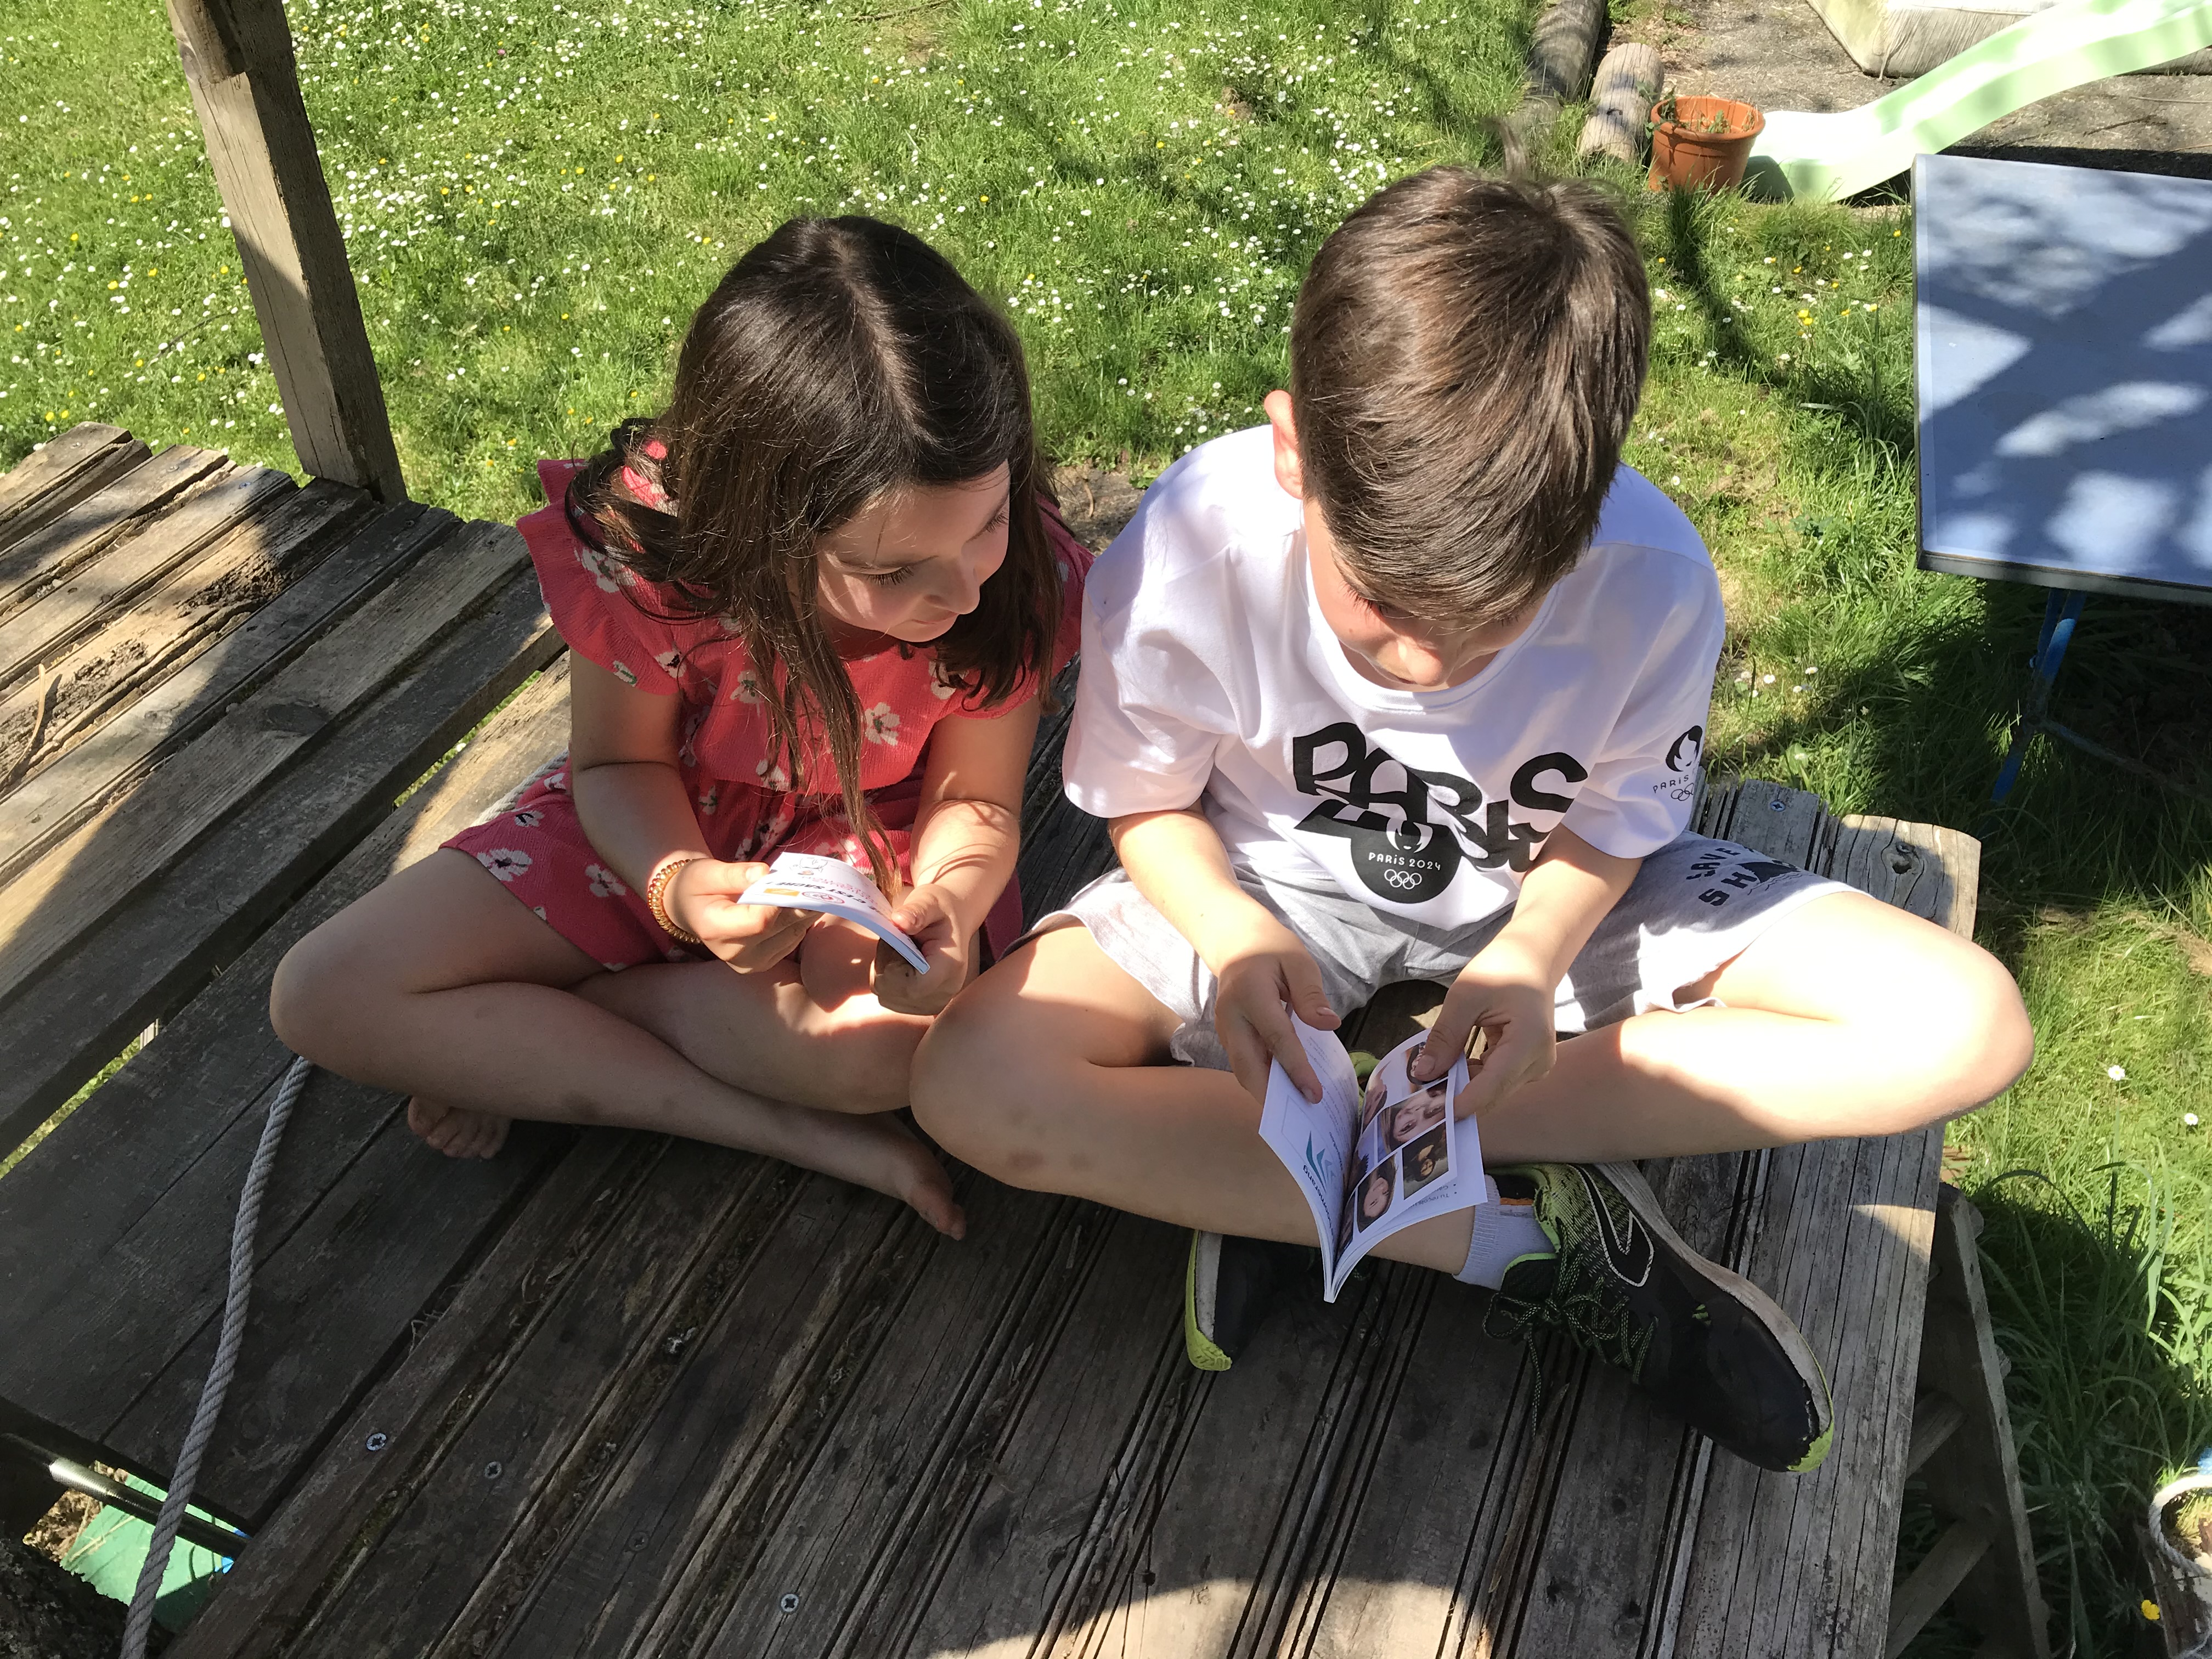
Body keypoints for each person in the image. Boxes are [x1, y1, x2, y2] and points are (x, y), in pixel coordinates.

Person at [911, 168, 2033, 1471]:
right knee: (970, 1079)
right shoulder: (1186, 551)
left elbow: (1613, 824)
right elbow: (1149, 801)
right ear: (1292, 452)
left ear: (1587, 511)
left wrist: (1534, 956)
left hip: (1544, 895)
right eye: (1382, 606)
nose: (1428, 666)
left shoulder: (1653, 580)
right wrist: (1227, 931)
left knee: (1967, 1025)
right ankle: (1508, 1238)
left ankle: (1288, 1166)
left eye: (1494, 620)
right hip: (1267, 884)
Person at [272, 217, 1088, 1242]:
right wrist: (676, 885)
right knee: (325, 993)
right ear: (758, 523)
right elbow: (619, 764)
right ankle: (765, 1122)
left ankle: (569, 1022)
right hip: (673, 812)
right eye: (890, 571)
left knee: (886, 1046)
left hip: (877, 836)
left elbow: (975, 803)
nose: (963, 590)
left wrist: (953, 910)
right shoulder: (656, 548)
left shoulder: (1014, 581)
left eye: (989, 521)